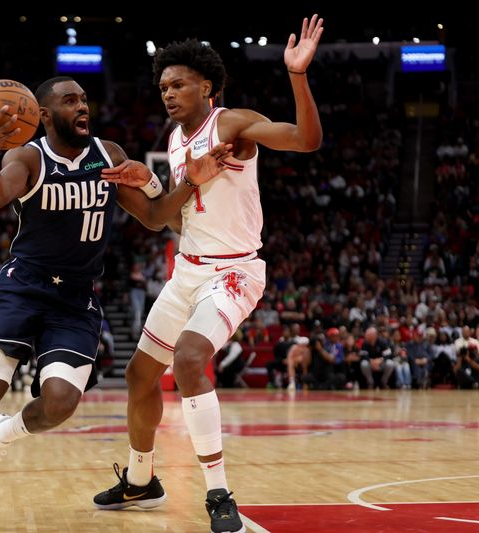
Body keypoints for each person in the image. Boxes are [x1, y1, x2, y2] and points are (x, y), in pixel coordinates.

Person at [0, 76, 230, 529]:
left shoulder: (107, 154)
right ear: (44, 115)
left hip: (75, 298)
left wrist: (181, 182)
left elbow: (154, 218)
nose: (82, 106)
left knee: (60, 403)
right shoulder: (27, 156)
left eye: (85, 99)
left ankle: (2, 436)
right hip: (23, 289)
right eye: (70, 101)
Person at [92, 15, 324, 533]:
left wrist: (298, 76)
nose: (168, 94)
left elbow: (306, 139)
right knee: (138, 376)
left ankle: (219, 494)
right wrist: (152, 187)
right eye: (162, 87)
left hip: (235, 271)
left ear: (207, 86)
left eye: (177, 84)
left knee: (192, 360)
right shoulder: (177, 142)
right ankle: (141, 479)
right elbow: (166, 220)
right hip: (188, 271)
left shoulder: (233, 123)